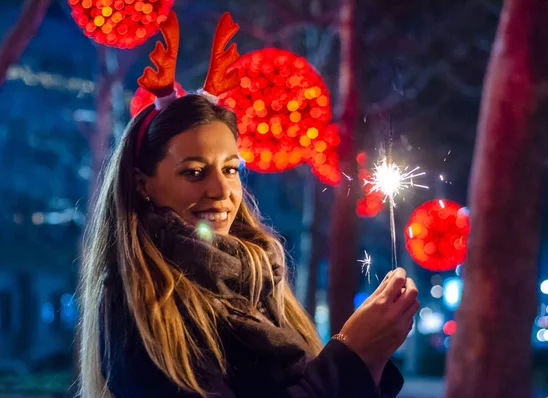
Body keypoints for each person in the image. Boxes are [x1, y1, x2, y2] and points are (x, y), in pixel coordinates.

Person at [77, 11, 419, 398]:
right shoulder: (142, 303)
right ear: (143, 185)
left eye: (231, 169)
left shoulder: (259, 279)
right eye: (194, 173)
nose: (222, 191)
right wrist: (352, 355)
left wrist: (370, 359)